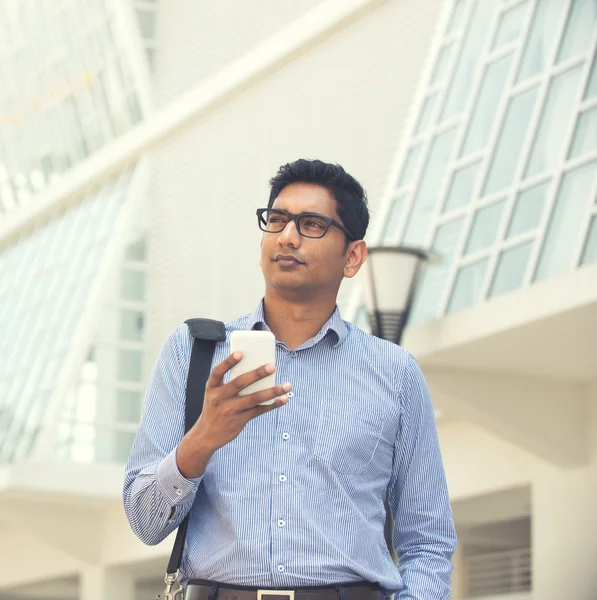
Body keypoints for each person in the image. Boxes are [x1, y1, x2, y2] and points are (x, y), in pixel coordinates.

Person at [124, 159, 457, 600]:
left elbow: (428, 540)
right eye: (276, 220)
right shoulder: (192, 352)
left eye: (311, 224)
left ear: (353, 256)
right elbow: (145, 523)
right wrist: (201, 440)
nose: (287, 236)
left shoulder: (395, 373)